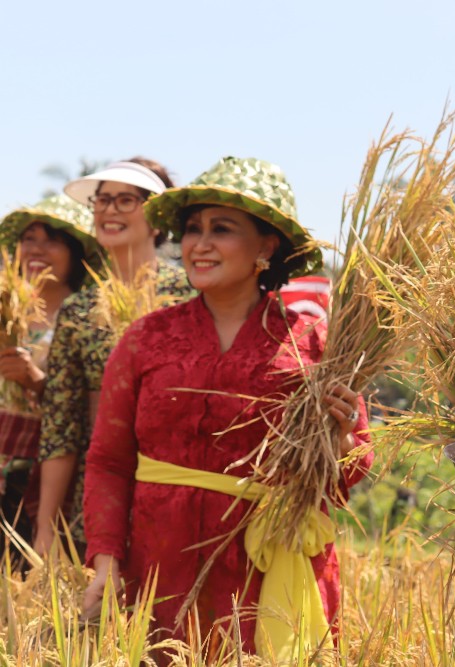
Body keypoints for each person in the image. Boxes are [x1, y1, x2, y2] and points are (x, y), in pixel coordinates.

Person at [81, 156, 373, 660]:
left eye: (222, 229)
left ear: (266, 245)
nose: (200, 243)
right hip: (159, 566)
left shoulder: (313, 345)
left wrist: (341, 440)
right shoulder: (145, 339)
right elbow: (108, 460)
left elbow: (352, 465)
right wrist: (105, 560)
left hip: (268, 564)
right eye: (193, 229)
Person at [34, 158, 194, 557]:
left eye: (126, 201)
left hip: (177, 487)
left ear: (156, 219)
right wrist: (45, 529)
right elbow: (61, 426)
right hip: (98, 495)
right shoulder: (80, 310)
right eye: (103, 201)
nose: (109, 210)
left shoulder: (190, 294)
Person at [0, 195, 101, 555]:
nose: (37, 249)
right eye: (29, 238)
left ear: (76, 252)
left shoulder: (89, 319)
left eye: (52, 240)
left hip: (44, 473)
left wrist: (37, 381)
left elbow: (86, 408)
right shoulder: (4, 308)